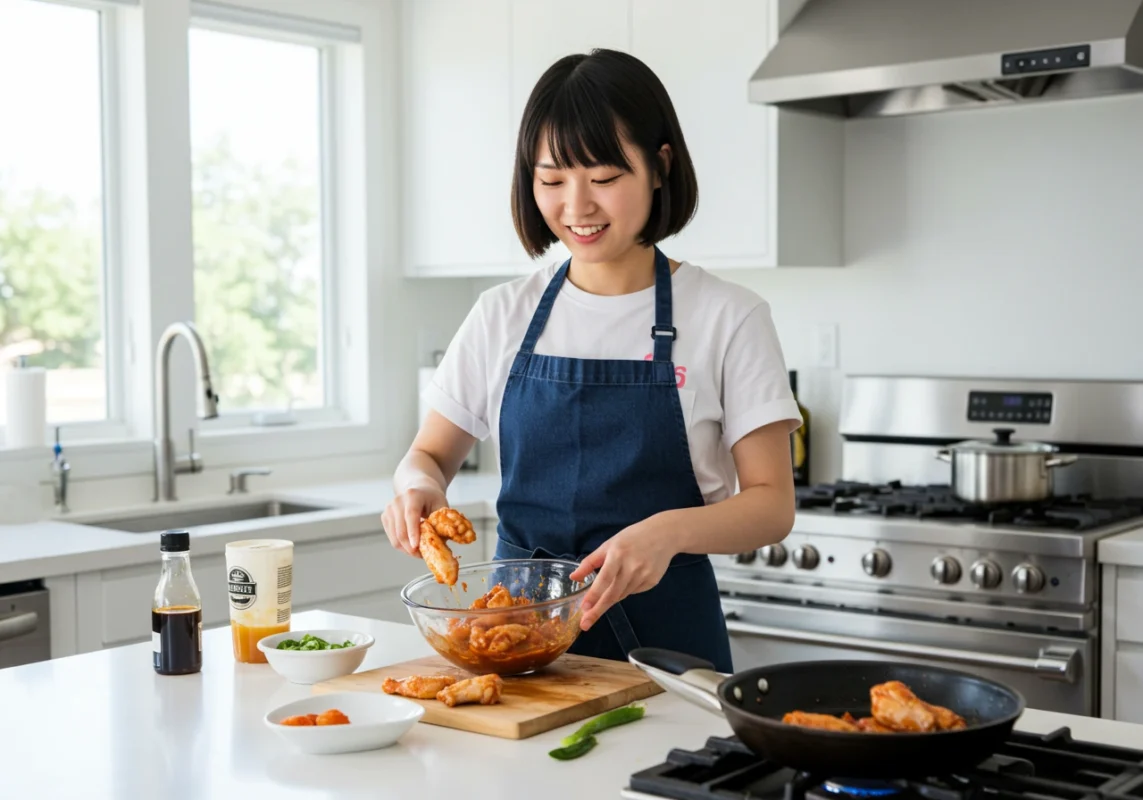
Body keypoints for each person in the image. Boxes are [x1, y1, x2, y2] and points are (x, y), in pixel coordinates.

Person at [381, 48, 801, 673]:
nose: (576, 207)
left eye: (603, 178)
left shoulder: (727, 315)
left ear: (659, 168)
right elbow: (430, 454)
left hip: (671, 648)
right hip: (516, 637)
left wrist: (667, 532)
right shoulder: (502, 313)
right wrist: (416, 487)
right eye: (552, 180)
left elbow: (772, 504)